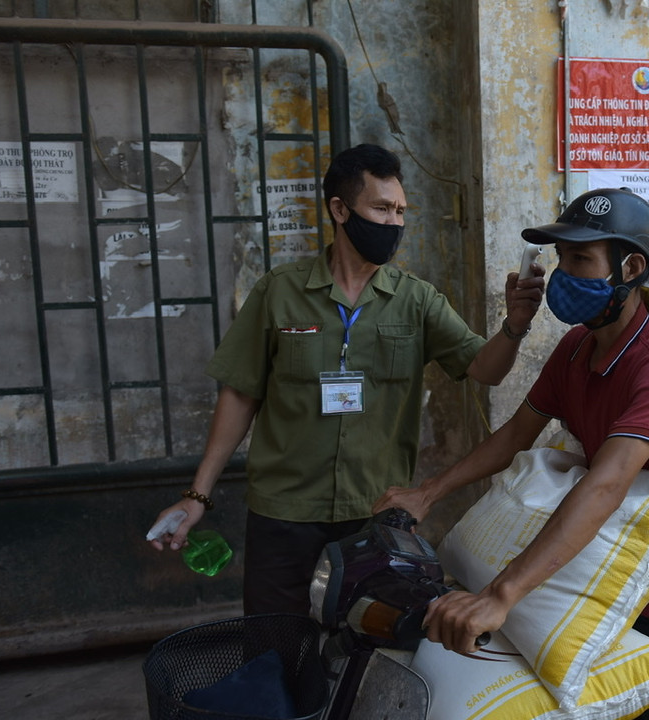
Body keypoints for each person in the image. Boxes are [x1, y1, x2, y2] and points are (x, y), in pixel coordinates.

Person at [149, 143, 544, 616]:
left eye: (400, 211)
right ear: (340, 209)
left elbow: (486, 370)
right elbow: (239, 393)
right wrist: (197, 495)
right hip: (284, 513)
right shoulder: (279, 292)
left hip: (374, 515)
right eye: (381, 208)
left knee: (364, 653)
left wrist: (515, 324)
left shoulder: (416, 300)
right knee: (276, 647)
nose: (394, 222)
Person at [375, 188, 649, 720]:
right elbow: (516, 434)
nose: (563, 273)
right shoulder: (577, 346)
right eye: (562, 258)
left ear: (630, 268)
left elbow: (605, 485)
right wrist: (429, 492)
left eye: (581, 259)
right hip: (584, 583)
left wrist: (500, 593)